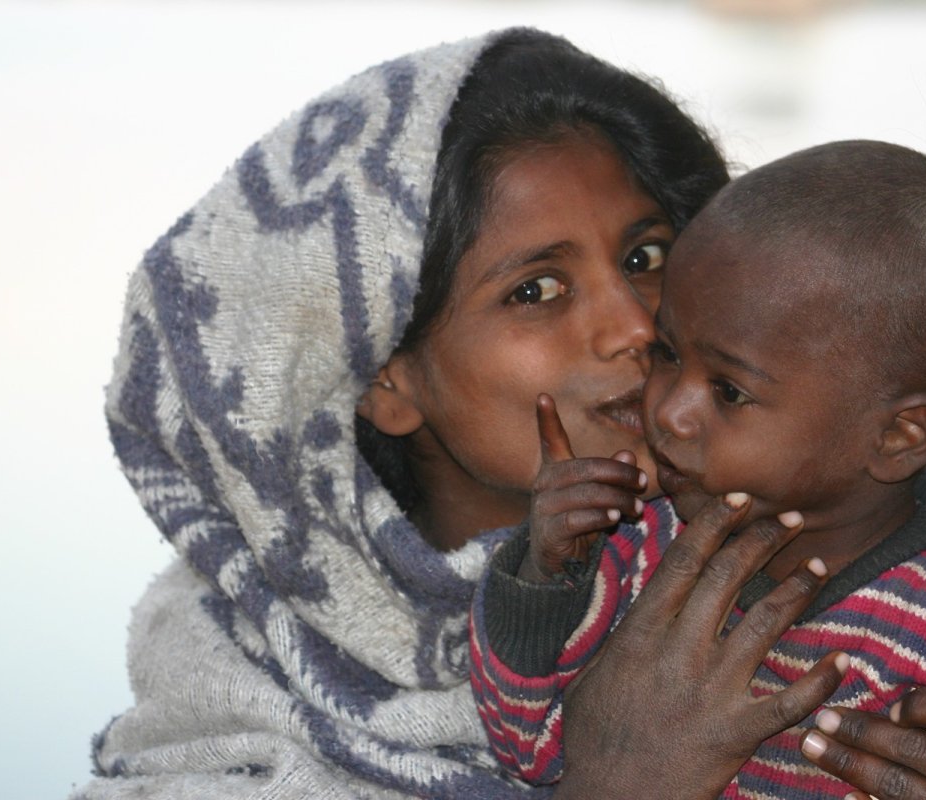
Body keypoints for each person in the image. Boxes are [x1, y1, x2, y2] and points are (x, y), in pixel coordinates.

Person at [76, 27, 838, 799]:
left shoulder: (823, 570)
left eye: (645, 258)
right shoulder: (233, 736)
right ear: (387, 383)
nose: (635, 326)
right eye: (536, 290)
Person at [470, 139, 926, 798]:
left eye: (729, 391)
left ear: (897, 435)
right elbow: (528, 750)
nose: (669, 412)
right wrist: (545, 584)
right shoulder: (640, 553)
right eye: (667, 352)